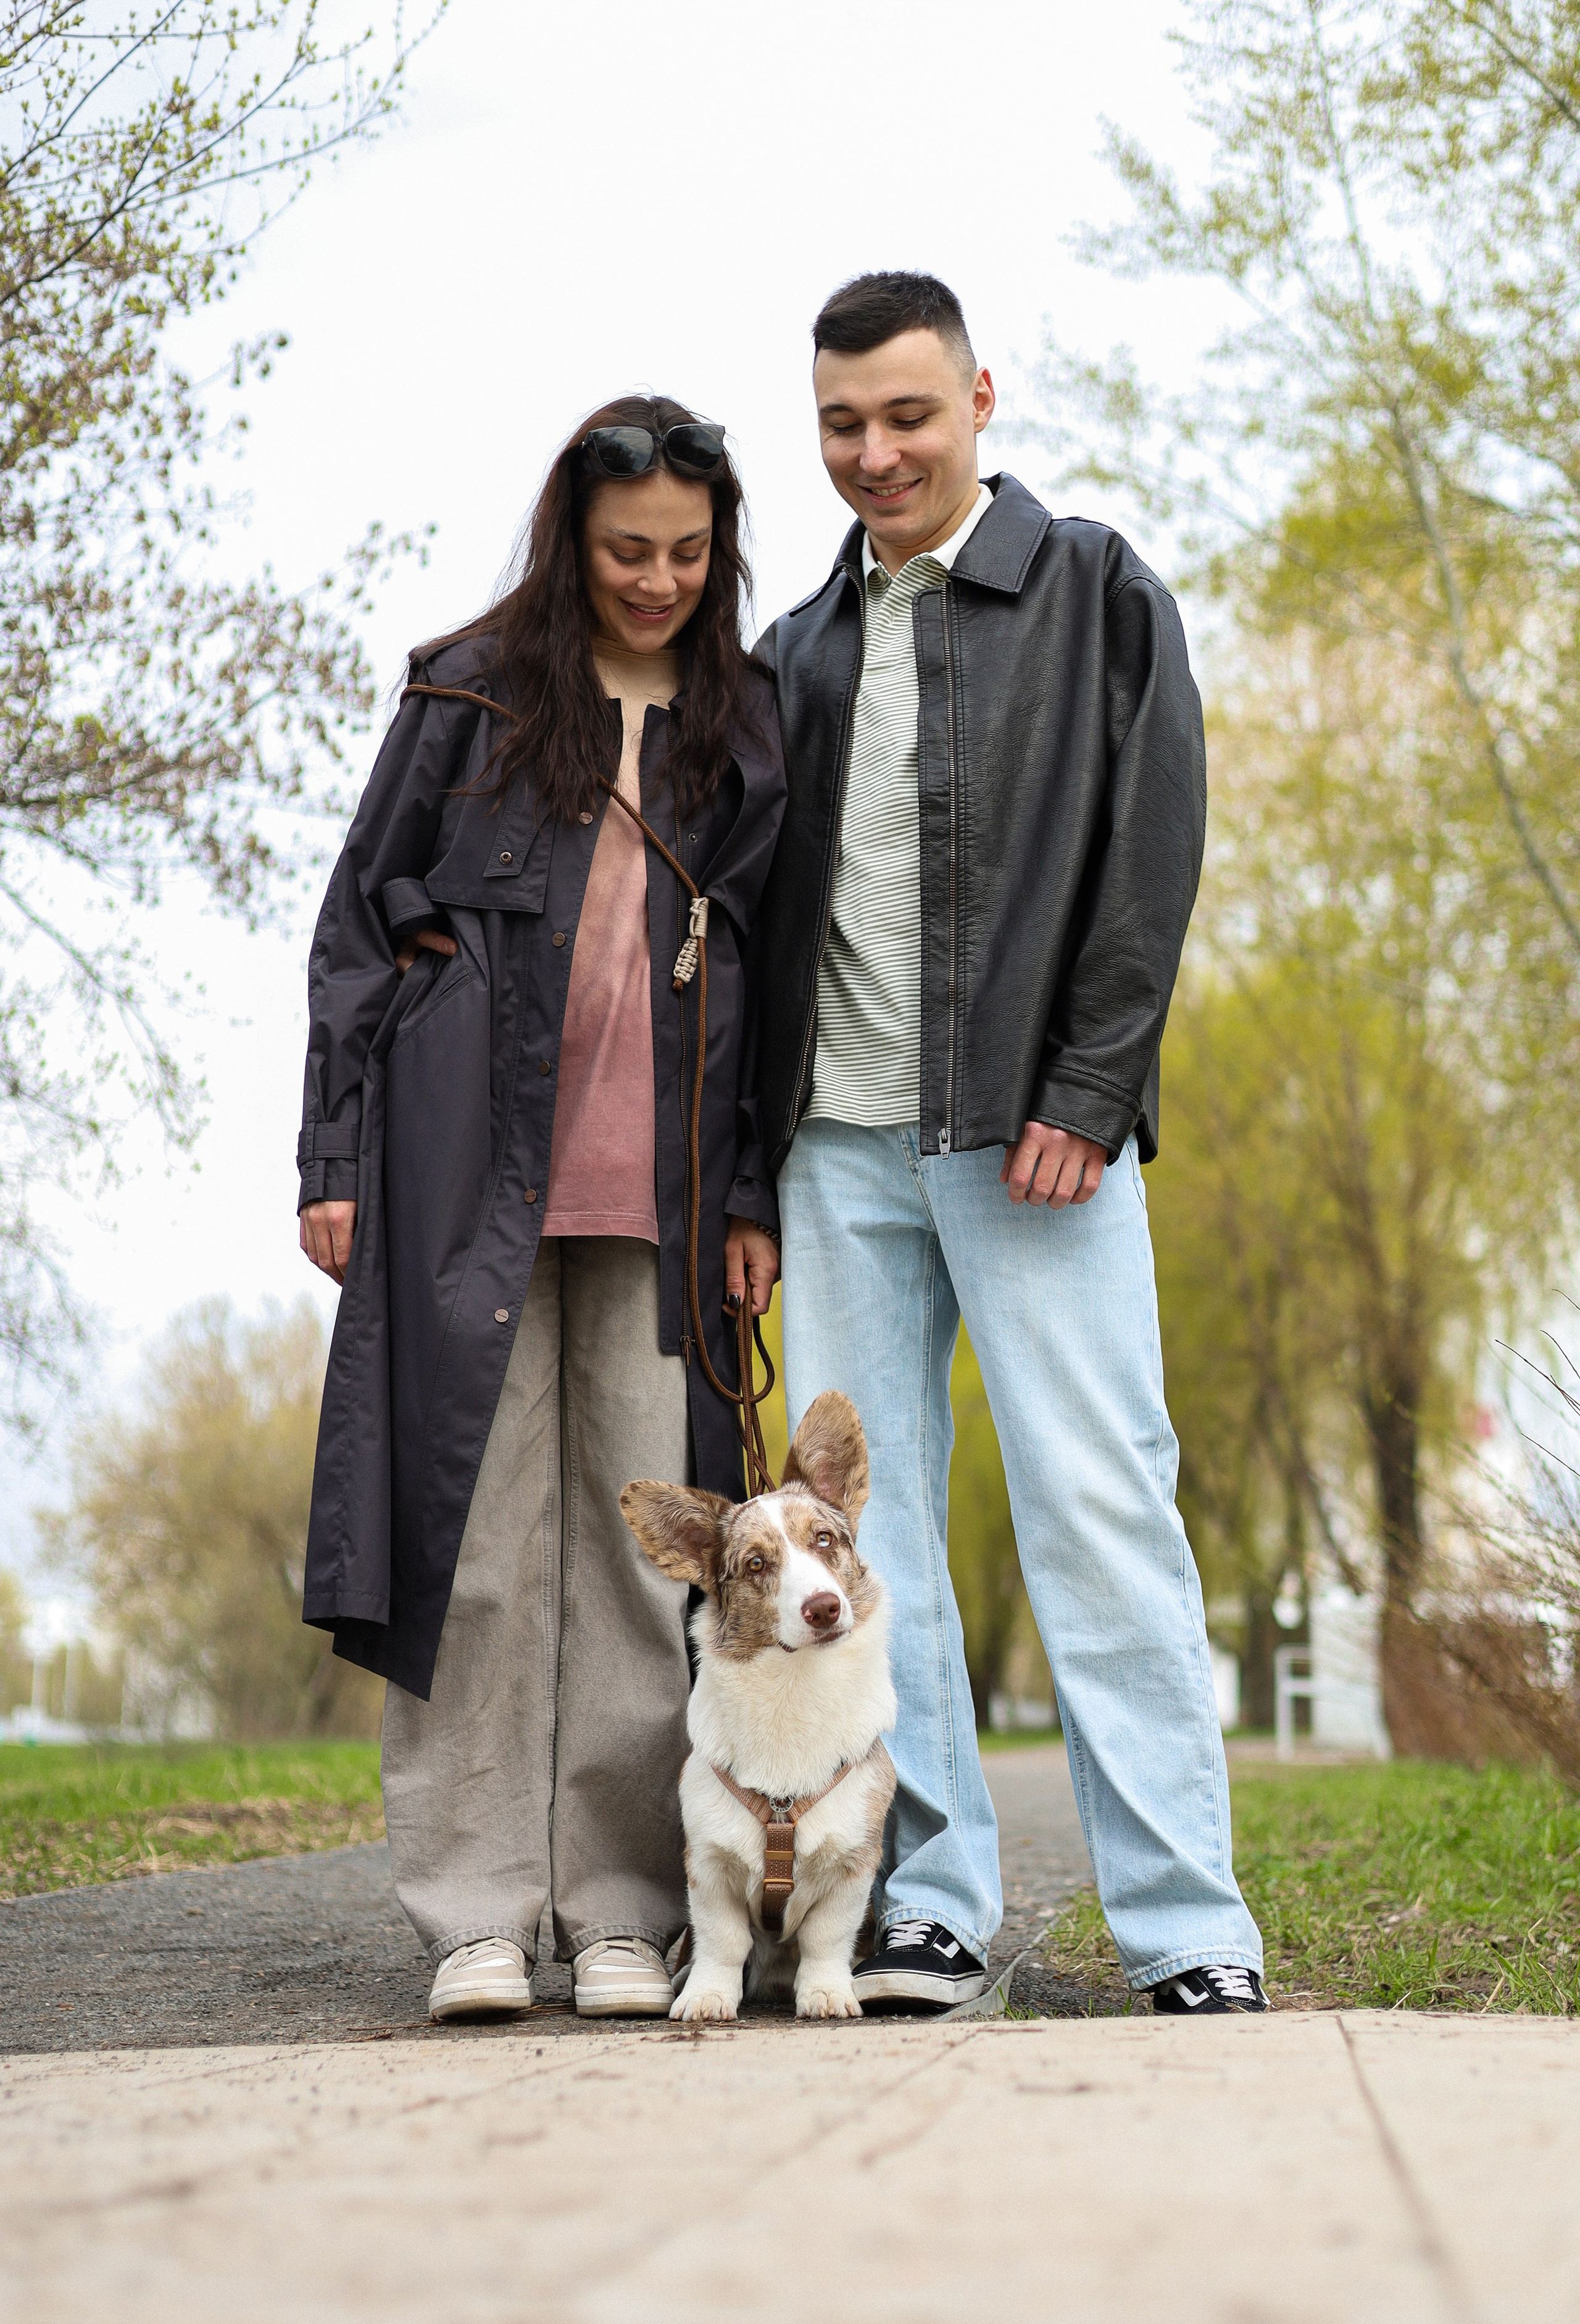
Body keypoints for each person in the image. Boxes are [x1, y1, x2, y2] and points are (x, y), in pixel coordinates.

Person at [754, 273, 1266, 2016]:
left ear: (981, 398)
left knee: (1101, 1513)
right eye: (843, 424)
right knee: (858, 1549)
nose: (876, 453)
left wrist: (1093, 1087)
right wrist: (748, 1175)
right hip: (834, 1153)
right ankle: (930, 1905)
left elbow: (1153, 844)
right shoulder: (798, 651)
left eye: (909, 415)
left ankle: (1189, 1928)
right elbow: (762, 929)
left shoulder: (1097, 591)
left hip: (1035, 1141)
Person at [296, 397, 785, 2023]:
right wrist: (333, 1160)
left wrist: (753, 1192)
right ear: (572, 542)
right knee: (478, 1553)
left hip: (663, 1202)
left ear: (720, 551)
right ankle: (477, 1917)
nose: (658, 580)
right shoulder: (467, 693)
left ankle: (627, 1911)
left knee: (648, 1565)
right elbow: (357, 933)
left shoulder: (750, 724)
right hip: (460, 1186)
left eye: (688, 553)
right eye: (627, 550)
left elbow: (775, 981)